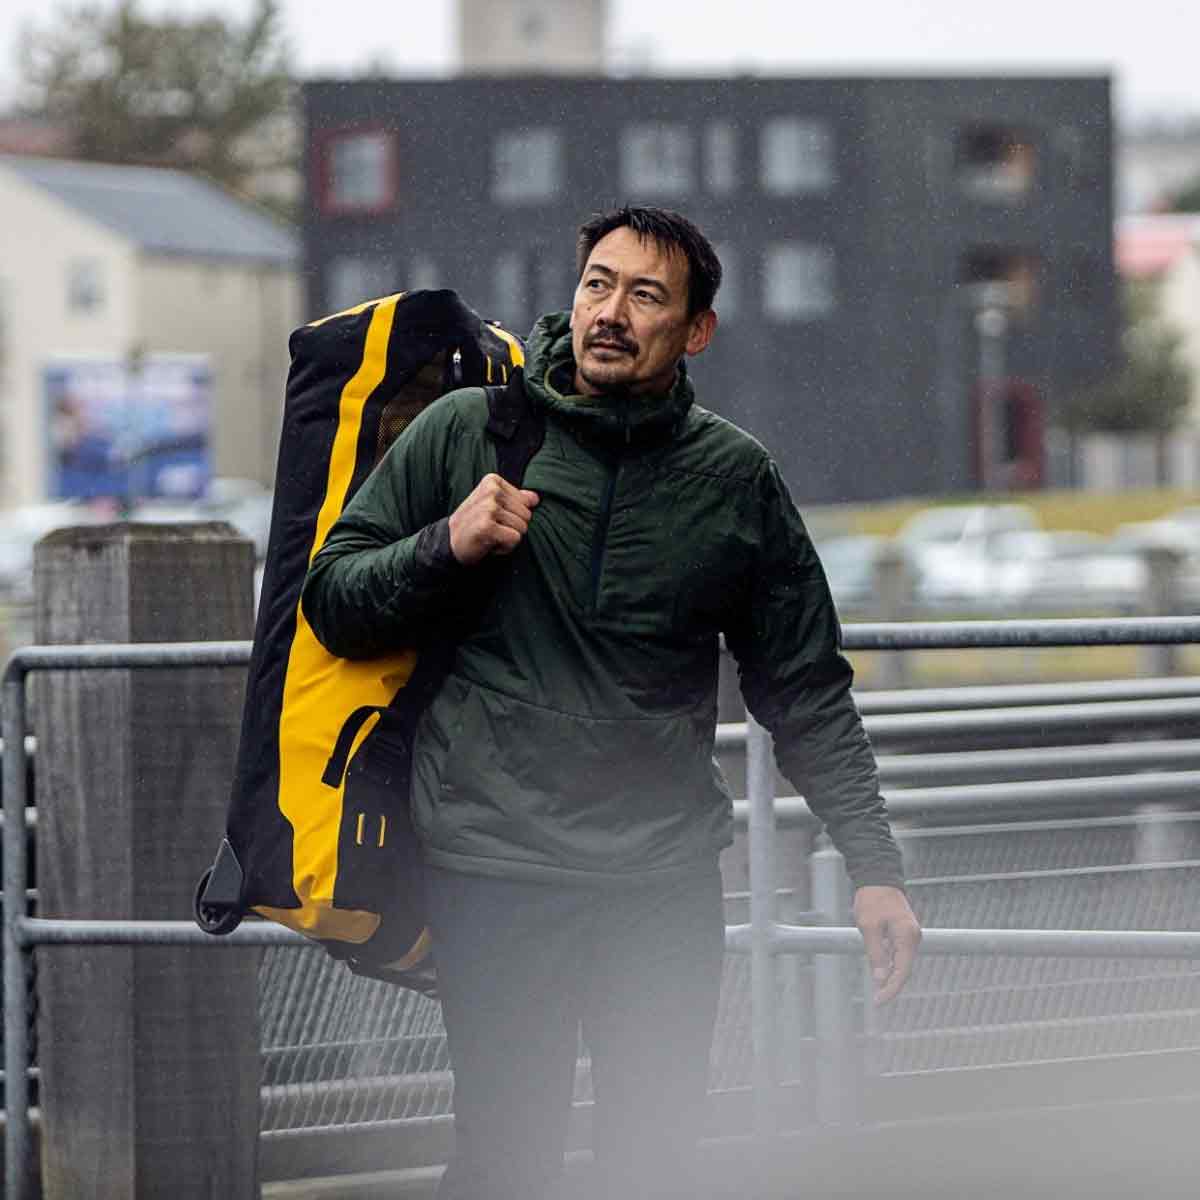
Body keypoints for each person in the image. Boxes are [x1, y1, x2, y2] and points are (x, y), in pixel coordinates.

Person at [301, 205, 921, 1199]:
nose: (611, 312)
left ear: (696, 329)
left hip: (660, 882)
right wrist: (441, 546)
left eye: (646, 295)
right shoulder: (472, 433)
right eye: (598, 283)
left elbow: (804, 690)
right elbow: (330, 601)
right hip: (492, 869)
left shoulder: (736, 480)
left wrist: (874, 867)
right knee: (506, 1162)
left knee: (659, 1161)